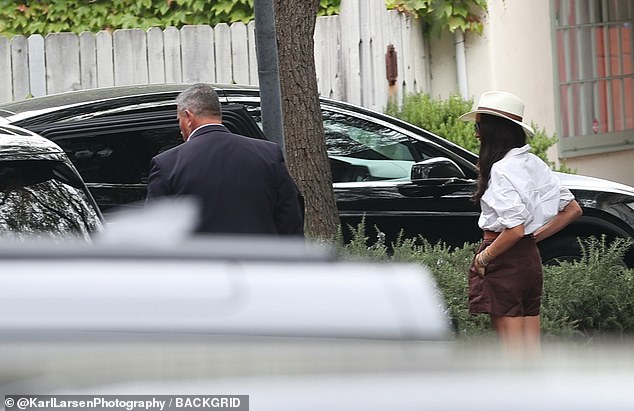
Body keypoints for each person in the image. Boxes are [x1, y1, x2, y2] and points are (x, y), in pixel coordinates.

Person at [460, 90, 582, 354]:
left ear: (493, 130)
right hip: (528, 259)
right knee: (530, 354)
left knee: (514, 357)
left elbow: (513, 229)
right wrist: (533, 238)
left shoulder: (502, 169)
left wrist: (484, 258)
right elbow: (572, 209)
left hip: (503, 258)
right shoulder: (533, 163)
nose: (476, 134)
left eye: (479, 126)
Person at [146, 83, 304, 236]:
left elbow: (156, 232)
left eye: (178, 120)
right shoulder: (269, 154)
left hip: (197, 261)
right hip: (258, 260)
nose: (180, 128)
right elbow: (290, 220)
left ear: (188, 116)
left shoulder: (167, 164)